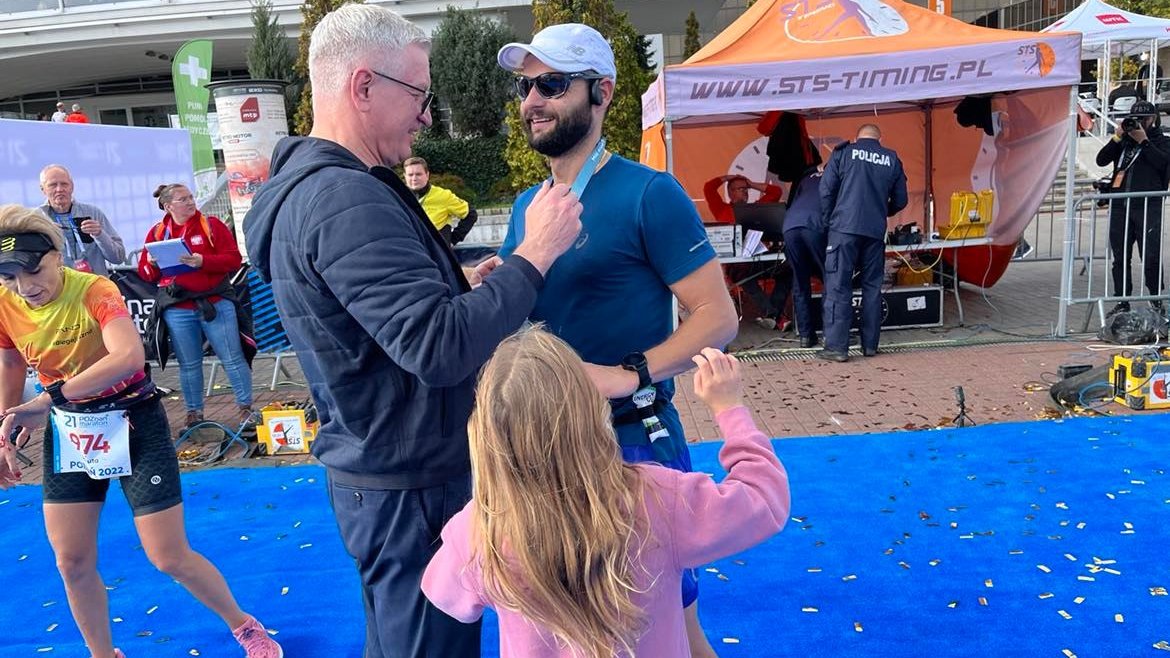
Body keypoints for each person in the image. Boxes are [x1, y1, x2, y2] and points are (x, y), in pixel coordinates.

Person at [241, 5, 581, 658]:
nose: (426, 116)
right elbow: (437, 347)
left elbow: (378, 325)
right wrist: (535, 255)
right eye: (419, 96)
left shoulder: (317, 191)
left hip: (385, 470)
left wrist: (456, 287)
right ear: (363, 86)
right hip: (410, 485)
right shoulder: (344, 199)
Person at [495, 23, 739, 658]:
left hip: (631, 446)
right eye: (526, 86)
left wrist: (631, 373)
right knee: (561, 629)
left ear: (600, 93)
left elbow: (718, 317)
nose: (532, 101)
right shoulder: (528, 204)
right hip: (542, 448)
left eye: (551, 84)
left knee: (664, 630)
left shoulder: (649, 193)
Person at [0, 205, 282, 658]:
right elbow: (11, 359)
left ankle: (243, 624)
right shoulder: (7, 303)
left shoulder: (95, 289)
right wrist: (6, 428)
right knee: (70, 562)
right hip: (72, 430)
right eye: (9, 278)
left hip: (133, 420)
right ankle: (103, 654)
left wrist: (48, 399)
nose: (25, 287)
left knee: (168, 555)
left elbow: (128, 357)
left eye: (31, 271)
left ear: (56, 254)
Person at [422, 328, 790, 658]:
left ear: (485, 434)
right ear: (592, 411)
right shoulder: (658, 497)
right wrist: (729, 407)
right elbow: (764, 497)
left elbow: (445, 595)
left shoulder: (477, 529)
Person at [137, 183, 253, 428]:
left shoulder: (211, 225)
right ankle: (194, 414)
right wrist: (153, 264)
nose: (190, 202)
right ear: (168, 206)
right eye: (183, 199)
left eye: (191, 197)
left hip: (216, 302)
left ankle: (246, 409)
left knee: (232, 358)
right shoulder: (158, 233)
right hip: (179, 308)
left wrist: (203, 261)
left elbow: (233, 259)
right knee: (189, 364)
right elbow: (146, 274)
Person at [818, 124, 908, 362]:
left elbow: (826, 190)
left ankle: (837, 348)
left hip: (843, 229)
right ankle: (870, 345)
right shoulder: (891, 159)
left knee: (839, 286)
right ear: (880, 138)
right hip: (875, 231)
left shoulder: (843, 153)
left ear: (856, 137)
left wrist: (831, 221)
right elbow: (901, 199)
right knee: (872, 288)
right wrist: (881, 211)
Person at [1095, 100, 1170, 316]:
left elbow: (1163, 163)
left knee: (1151, 255)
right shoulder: (1124, 142)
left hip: (1147, 205)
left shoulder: (1161, 141)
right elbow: (1101, 160)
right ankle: (1122, 300)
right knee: (1120, 256)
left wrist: (1145, 142)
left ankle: (1155, 300)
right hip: (1121, 205)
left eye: (1142, 120)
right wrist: (1118, 136)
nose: (1137, 124)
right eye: (1134, 120)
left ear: (1152, 119)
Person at [703, 174, 792, 330]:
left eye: (746, 189)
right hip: (739, 264)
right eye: (741, 189)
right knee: (744, 278)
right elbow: (708, 188)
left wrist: (752, 184)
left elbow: (775, 192)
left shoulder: (757, 207)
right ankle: (775, 315)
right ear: (730, 192)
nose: (745, 191)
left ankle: (773, 315)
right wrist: (728, 177)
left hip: (761, 258)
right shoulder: (722, 208)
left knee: (788, 271)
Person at [38, 164, 126, 277]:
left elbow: (118, 258)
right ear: (43, 190)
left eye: (64, 184)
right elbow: (29, 265)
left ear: (72, 186)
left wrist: (100, 235)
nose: (59, 189)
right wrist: (44, 239)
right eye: (53, 185)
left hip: (96, 288)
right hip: (60, 291)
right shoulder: (37, 220)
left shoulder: (93, 213)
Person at [782, 164, 827, 348]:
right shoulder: (838, 176)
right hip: (815, 225)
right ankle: (830, 335)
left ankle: (806, 337)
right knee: (831, 278)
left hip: (790, 226)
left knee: (800, 282)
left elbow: (795, 201)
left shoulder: (807, 178)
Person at [403, 156, 479, 246]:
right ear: (405, 176)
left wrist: (453, 239)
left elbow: (471, 214)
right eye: (410, 175)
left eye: (418, 174)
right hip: (410, 250)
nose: (414, 178)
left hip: (436, 255)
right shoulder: (398, 196)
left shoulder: (443, 196)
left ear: (427, 175)